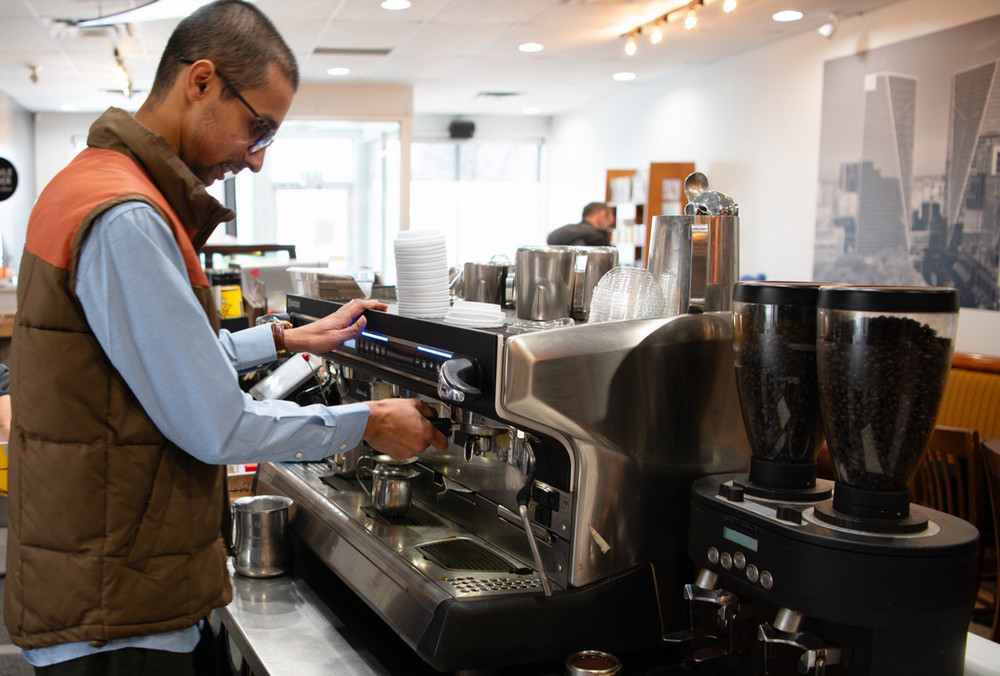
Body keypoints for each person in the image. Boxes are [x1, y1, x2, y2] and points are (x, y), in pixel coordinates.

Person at [4, 2, 447, 674]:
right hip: (117, 606)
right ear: (201, 81)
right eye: (257, 128)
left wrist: (286, 340)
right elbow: (215, 424)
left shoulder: (97, 182)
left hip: (103, 576)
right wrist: (370, 420)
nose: (257, 159)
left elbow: (130, 366)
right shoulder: (129, 216)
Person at [546, 202, 614, 246]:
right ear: (602, 215)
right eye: (610, 218)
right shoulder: (597, 239)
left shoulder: (567, 230)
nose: (609, 224)